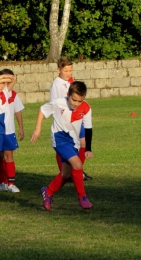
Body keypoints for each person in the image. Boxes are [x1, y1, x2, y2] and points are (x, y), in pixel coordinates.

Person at [31, 81, 93, 210]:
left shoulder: (86, 108)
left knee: (66, 174)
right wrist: (38, 129)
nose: (76, 103)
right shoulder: (59, 103)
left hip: (73, 142)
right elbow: (42, 110)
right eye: (74, 99)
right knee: (77, 164)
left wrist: (88, 148)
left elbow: (88, 129)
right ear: (68, 94)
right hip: (59, 138)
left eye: (79, 101)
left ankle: (47, 192)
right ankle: (82, 197)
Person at [50, 56, 92, 181]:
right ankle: (67, 173)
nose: (68, 73)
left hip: (76, 118)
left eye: (70, 70)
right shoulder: (57, 84)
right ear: (59, 70)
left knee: (82, 143)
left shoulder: (70, 82)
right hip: (66, 121)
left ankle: (78, 171)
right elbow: (54, 104)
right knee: (65, 146)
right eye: (66, 71)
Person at [0, 68, 24, 192]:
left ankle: (11, 183)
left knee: (9, 156)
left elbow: (18, 110)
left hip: (9, 130)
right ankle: (2, 182)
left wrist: (21, 127)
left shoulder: (11, 93)